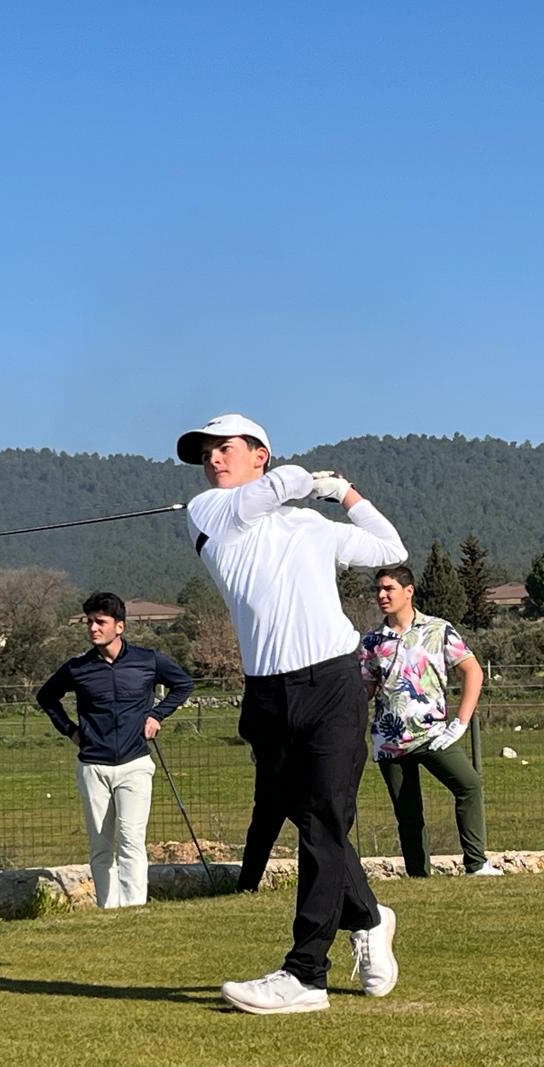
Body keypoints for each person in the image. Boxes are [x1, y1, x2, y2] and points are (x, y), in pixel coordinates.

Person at [176, 413, 408, 1014]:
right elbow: (275, 489)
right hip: (267, 695)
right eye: (205, 453)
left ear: (259, 453)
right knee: (312, 822)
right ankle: (369, 917)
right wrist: (307, 479)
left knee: (325, 823)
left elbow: (391, 548)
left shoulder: (310, 526)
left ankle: (305, 974)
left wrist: (345, 493)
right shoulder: (206, 514)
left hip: (333, 683)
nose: (211, 460)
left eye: (224, 448)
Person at [36, 592, 194, 909]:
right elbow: (46, 697)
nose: (93, 628)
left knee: (131, 839)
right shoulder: (77, 668)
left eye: (100, 622)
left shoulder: (148, 660)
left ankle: (134, 909)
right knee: (101, 846)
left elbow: (184, 684)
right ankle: (108, 911)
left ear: (119, 626)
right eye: (89, 622)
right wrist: (70, 730)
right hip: (93, 767)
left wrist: (157, 716)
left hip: (136, 764)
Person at [360, 565, 503, 877]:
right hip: (390, 741)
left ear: (408, 591)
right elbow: (366, 689)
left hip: (433, 734)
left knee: (468, 785)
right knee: (408, 813)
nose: (381, 595)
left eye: (389, 588)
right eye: (378, 589)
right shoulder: (372, 641)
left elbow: (472, 671)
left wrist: (460, 722)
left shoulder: (438, 630)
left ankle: (476, 863)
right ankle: (418, 876)